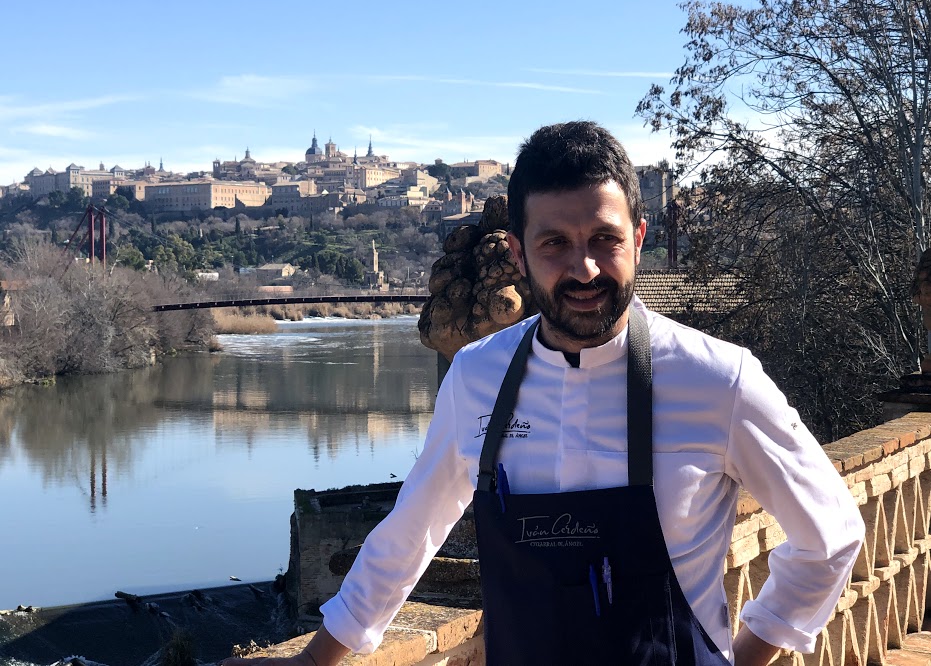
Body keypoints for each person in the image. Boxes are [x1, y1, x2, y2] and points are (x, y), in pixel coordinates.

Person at [223, 121, 864, 666]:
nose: (583, 268)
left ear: (638, 238)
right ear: (518, 250)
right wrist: (317, 657)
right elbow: (408, 535)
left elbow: (830, 536)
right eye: (554, 242)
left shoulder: (717, 380)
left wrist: (746, 654)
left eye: (605, 240)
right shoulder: (477, 377)